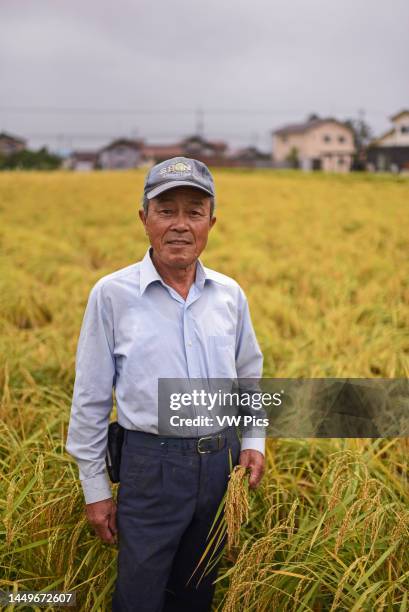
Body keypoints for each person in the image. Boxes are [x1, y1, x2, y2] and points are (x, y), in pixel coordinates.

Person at [65, 157, 265, 612]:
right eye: (165, 210)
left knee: (197, 592)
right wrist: (95, 490)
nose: (180, 224)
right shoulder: (112, 295)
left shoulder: (229, 295)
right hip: (150, 467)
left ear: (211, 221)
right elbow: (91, 399)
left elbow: (248, 376)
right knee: (139, 595)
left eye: (194, 212)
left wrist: (254, 439)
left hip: (221, 463)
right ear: (144, 219)